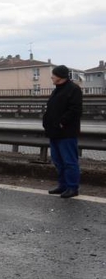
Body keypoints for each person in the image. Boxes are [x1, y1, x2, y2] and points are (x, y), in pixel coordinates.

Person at [42, 65, 83, 198]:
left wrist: (62, 122)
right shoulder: (57, 90)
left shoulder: (73, 89)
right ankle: (63, 185)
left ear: (60, 76)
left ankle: (72, 187)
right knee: (58, 161)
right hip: (54, 132)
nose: (51, 77)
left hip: (66, 132)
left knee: (69, 161)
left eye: (53, 75)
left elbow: (75, 110)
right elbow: (52, 109)